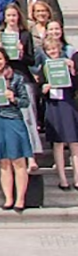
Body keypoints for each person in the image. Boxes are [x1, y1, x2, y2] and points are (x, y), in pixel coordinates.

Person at [0, 47, 33, 212]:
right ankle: (8, 198)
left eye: (0, 59)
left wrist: (13, 98)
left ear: (5, 60)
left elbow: (25, 102)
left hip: (13, 120)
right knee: (3, 162)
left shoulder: (16, 78)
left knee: (18, 161)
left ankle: (20, 199)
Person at [38, 38, 78, 190]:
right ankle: (62, 179)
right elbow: (39, 90)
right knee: (58, 143)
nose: (53, 52)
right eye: (49, 50)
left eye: (55, 49)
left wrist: (73, 71)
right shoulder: (44, 67)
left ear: (59, 49)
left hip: (68, 104)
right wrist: (44, 87)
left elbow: (75, 87)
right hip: (53, 106)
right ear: (46, 52)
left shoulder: (67, 64)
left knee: (74, 143)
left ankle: (76, 177)